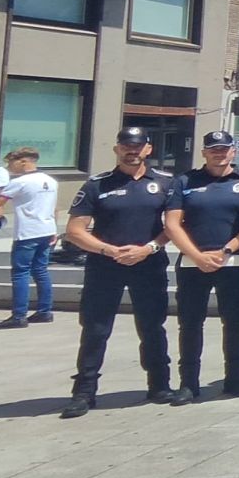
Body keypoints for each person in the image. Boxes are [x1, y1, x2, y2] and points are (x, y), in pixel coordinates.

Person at [61, 127, 176, 418]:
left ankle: (159, 384)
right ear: (117, 149)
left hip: (148, 264)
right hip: (105, 266)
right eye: (126, 146)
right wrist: (109, 250)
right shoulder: (96, 185)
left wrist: (148, 248)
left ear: (148, 149)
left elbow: (174, 226)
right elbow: (75, 230)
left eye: (137, 146)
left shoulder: (165, 183)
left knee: (152, 326)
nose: (131, 151)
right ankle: (84, 392)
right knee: (96, 329)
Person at [159, 131, 239, 403]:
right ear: (204, 152)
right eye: (213, 149)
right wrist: (197, 255)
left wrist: (226, 250)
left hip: (233, 261)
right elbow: (172, 224)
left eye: (224, 149)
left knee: (235, 322)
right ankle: (188, 383)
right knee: (190, 323)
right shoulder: (185, 181)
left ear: (233, 152)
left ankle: (235, 378)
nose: (219, 153)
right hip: (193, 263)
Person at [0, 147, 59, 326]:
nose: (9, 167)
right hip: (46, 229)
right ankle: (45, 311)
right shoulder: (51, 180)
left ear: (23, 161)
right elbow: (54, 207)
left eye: (10, 162)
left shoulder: (20, 182)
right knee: (41, 271)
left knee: (20, 273)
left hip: (27, 232)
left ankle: (19, 315)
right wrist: (54, 229)